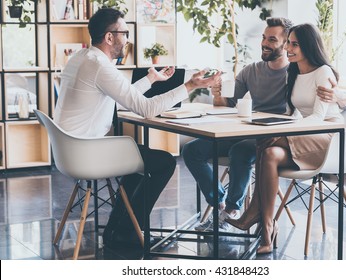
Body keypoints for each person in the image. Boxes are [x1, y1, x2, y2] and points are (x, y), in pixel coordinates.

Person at [53, 8, 221, 248]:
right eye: (125, 33)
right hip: (86, 153)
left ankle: (121, 230)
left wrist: (151, 79)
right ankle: (127, 231)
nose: (128, 39)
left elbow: (121, 96)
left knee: (137, 161)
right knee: (163, 162)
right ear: (110, 37)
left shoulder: (82, 58)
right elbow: (146, 109)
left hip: (70, 151)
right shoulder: (101, 66)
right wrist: (190, 85)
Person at [182, 17, 346, 232]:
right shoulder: (251, 70)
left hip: (277, 136)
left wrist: (340, 95)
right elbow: (227, 104)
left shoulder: (296, 71)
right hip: (245, 129)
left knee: (241, 151)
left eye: (273, 39)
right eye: (264, 38)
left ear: (285, 44)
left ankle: (232, 210)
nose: (264, 43)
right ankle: (220, 204)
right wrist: (217, 94)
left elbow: (338, 99)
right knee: (192, 150)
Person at [227, 23, 343, 254]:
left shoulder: (323, 72)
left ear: (308, 46)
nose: (288, 48)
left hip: (326, 135)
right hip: (304, 135)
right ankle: (267, 229)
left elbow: (319, 116)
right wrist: (288, 126)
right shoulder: (295, 72)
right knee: (269, 152)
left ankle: (254, 215)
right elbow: (297, 113)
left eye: (294, 44)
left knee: (265, 140)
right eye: (288, 42)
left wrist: (287, 130)